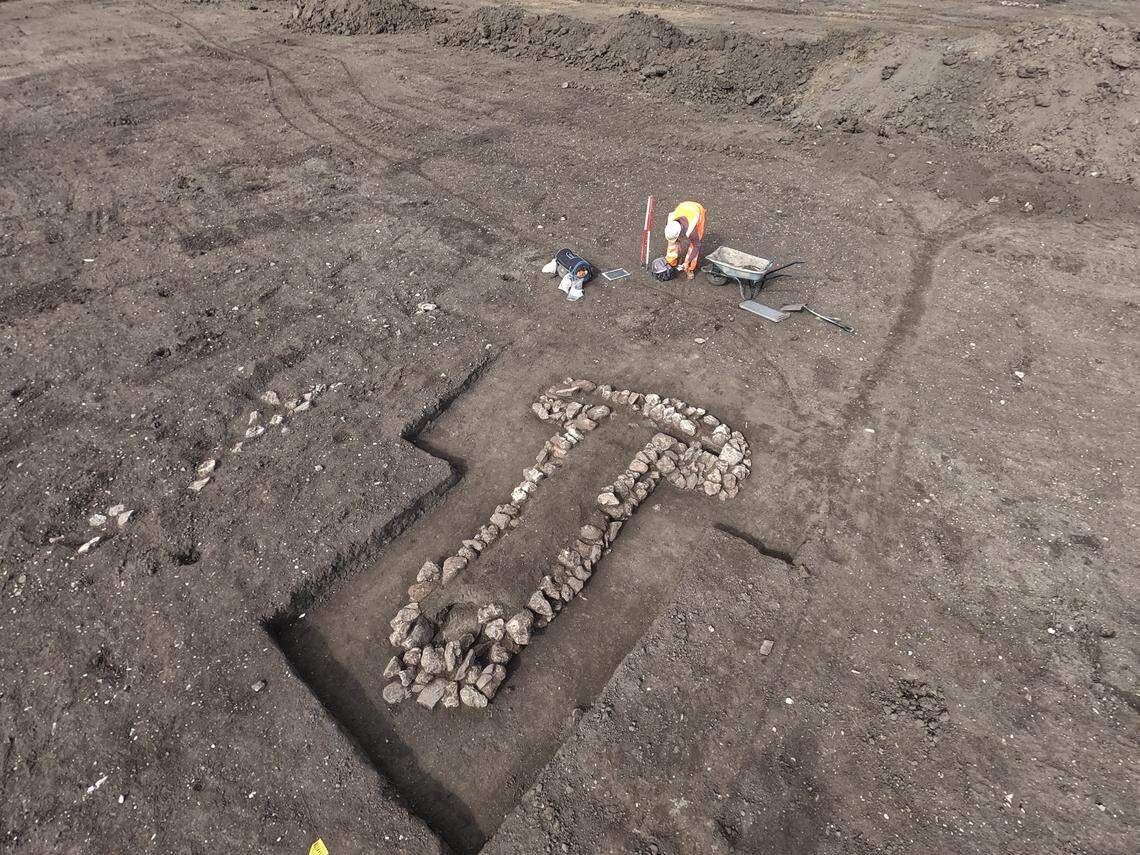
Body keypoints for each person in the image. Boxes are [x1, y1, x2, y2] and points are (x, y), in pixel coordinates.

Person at [664, 200, 707, 281]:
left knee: (693, 246)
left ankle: (689, 268)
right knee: (671, 243)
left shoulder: (691, 230)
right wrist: (677, 242)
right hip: (683, 206)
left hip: (697, 209)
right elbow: (672, 237)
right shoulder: (670, 221)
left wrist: (687, 261)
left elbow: (697, 246)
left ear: (681, 233)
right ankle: (671, 262)